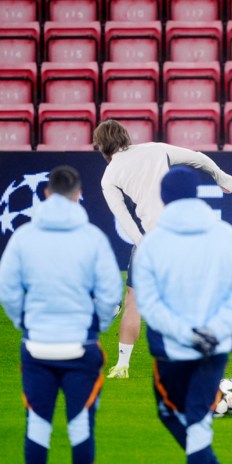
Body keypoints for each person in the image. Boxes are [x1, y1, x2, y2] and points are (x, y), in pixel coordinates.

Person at [94, 119, 232, 379]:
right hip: (187, 234)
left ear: (102, 146)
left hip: (153, 238)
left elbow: (124, 217)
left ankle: (122, 365)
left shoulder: (110, 176)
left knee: (133, 302)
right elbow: (197, 158)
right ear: (125, 136)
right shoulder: (155, 149)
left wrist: (142, 243)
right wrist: (223, 177)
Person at [133, 166, 232, 463]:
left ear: (164, 197)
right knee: (197, 421)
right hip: (216, 347)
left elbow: (149, 302)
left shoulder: (152, 243)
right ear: (197, 194)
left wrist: (187, 334)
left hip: (171, 350)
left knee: (178, 415)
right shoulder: (227, 236)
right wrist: (215, 330)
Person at [0, 165, 123, 463]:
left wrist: (25, 323)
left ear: (46, 193)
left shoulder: (23, 238)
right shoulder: (92, 238)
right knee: (80, 428)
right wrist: (96, 327)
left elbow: (8, 290)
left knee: (38, 428)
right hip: (80, 346)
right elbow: (110, 294)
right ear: (78, 195)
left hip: (37, 346)